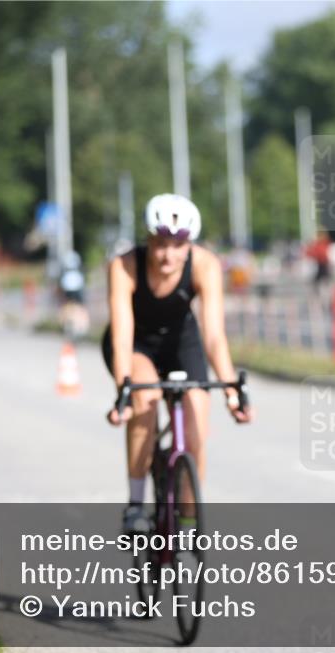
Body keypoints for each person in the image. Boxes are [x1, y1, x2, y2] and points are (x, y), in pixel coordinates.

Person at [104, 193, 252, 534]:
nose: (167, 254)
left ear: (190, 245)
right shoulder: (124, 266)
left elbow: (214, 336)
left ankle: (186, 520)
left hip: (181, 342)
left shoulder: (205, 265)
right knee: (146, 400)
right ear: (147, 240)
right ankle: (136, 506)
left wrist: (231, 390)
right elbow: (122, 336)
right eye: (158, 243)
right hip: (136, 344)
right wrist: (123, 391)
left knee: (198, 413)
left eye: (177, 244)